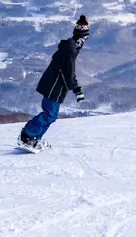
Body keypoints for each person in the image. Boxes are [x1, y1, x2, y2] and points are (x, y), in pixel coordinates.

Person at [19, 15, 89, 150]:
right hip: (54, 86)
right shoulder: (70, 50)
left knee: (51, 115)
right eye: (84, 38)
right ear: (79, 37)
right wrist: (77, 89)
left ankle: (34, 139)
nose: (84, 42)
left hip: (54, 85)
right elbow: (69, 75)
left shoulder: (70, 47)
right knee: (49, 114)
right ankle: (27, 136)